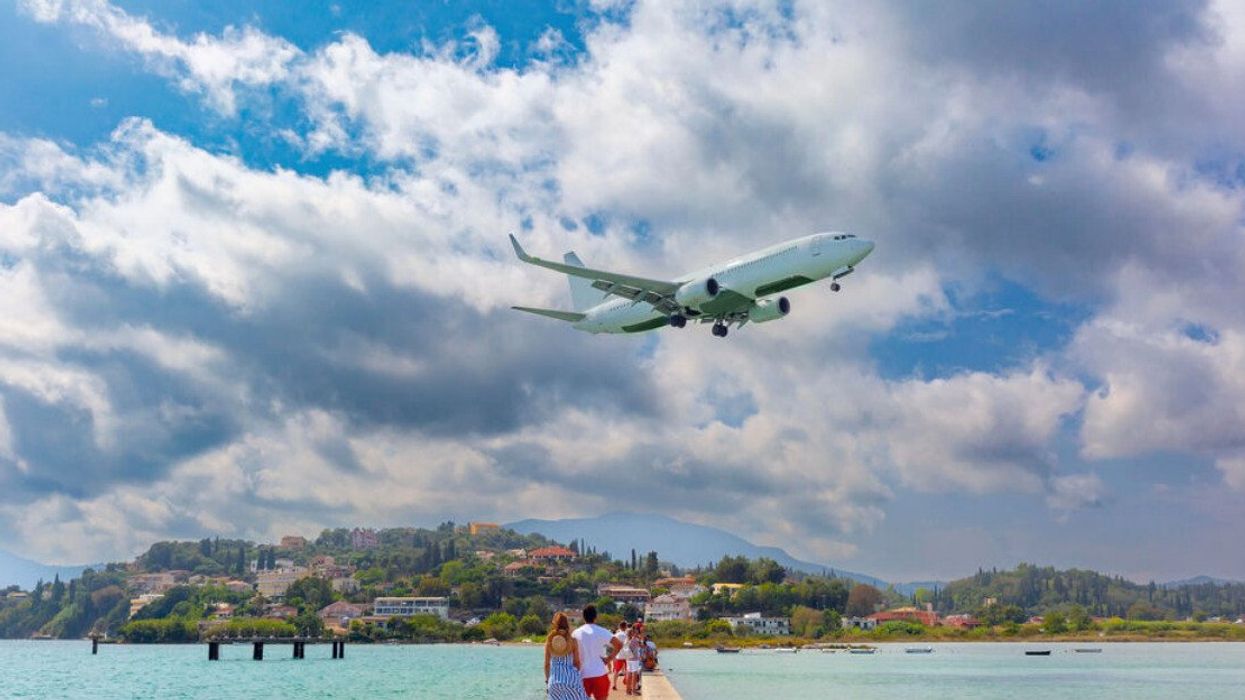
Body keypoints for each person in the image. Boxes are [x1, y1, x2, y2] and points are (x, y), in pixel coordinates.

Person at [571, 604, 620, 700]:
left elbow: (572, 655)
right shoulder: (602, 631)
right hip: (599, 673)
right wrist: (609, 659)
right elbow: (619, 644)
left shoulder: (575, 633)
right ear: (595, 617)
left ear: (583, 616)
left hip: (582, 675)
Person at [545, 612, 590, 700]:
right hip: (571, 679)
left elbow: (547, 665)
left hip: (554, 681)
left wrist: (547, 681)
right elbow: (577, 663)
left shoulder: (549, 642)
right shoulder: (572, 640)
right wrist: (576, 675)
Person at [611, 621, 630, 690]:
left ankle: (614, 684)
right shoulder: (626, 635)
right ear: (625, 627)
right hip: (626, 655)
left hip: (619, 655)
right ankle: (628, 684)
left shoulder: (616, 635)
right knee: (628, 670)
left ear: (619, 626)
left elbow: (612, 644)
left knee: (616, 670)